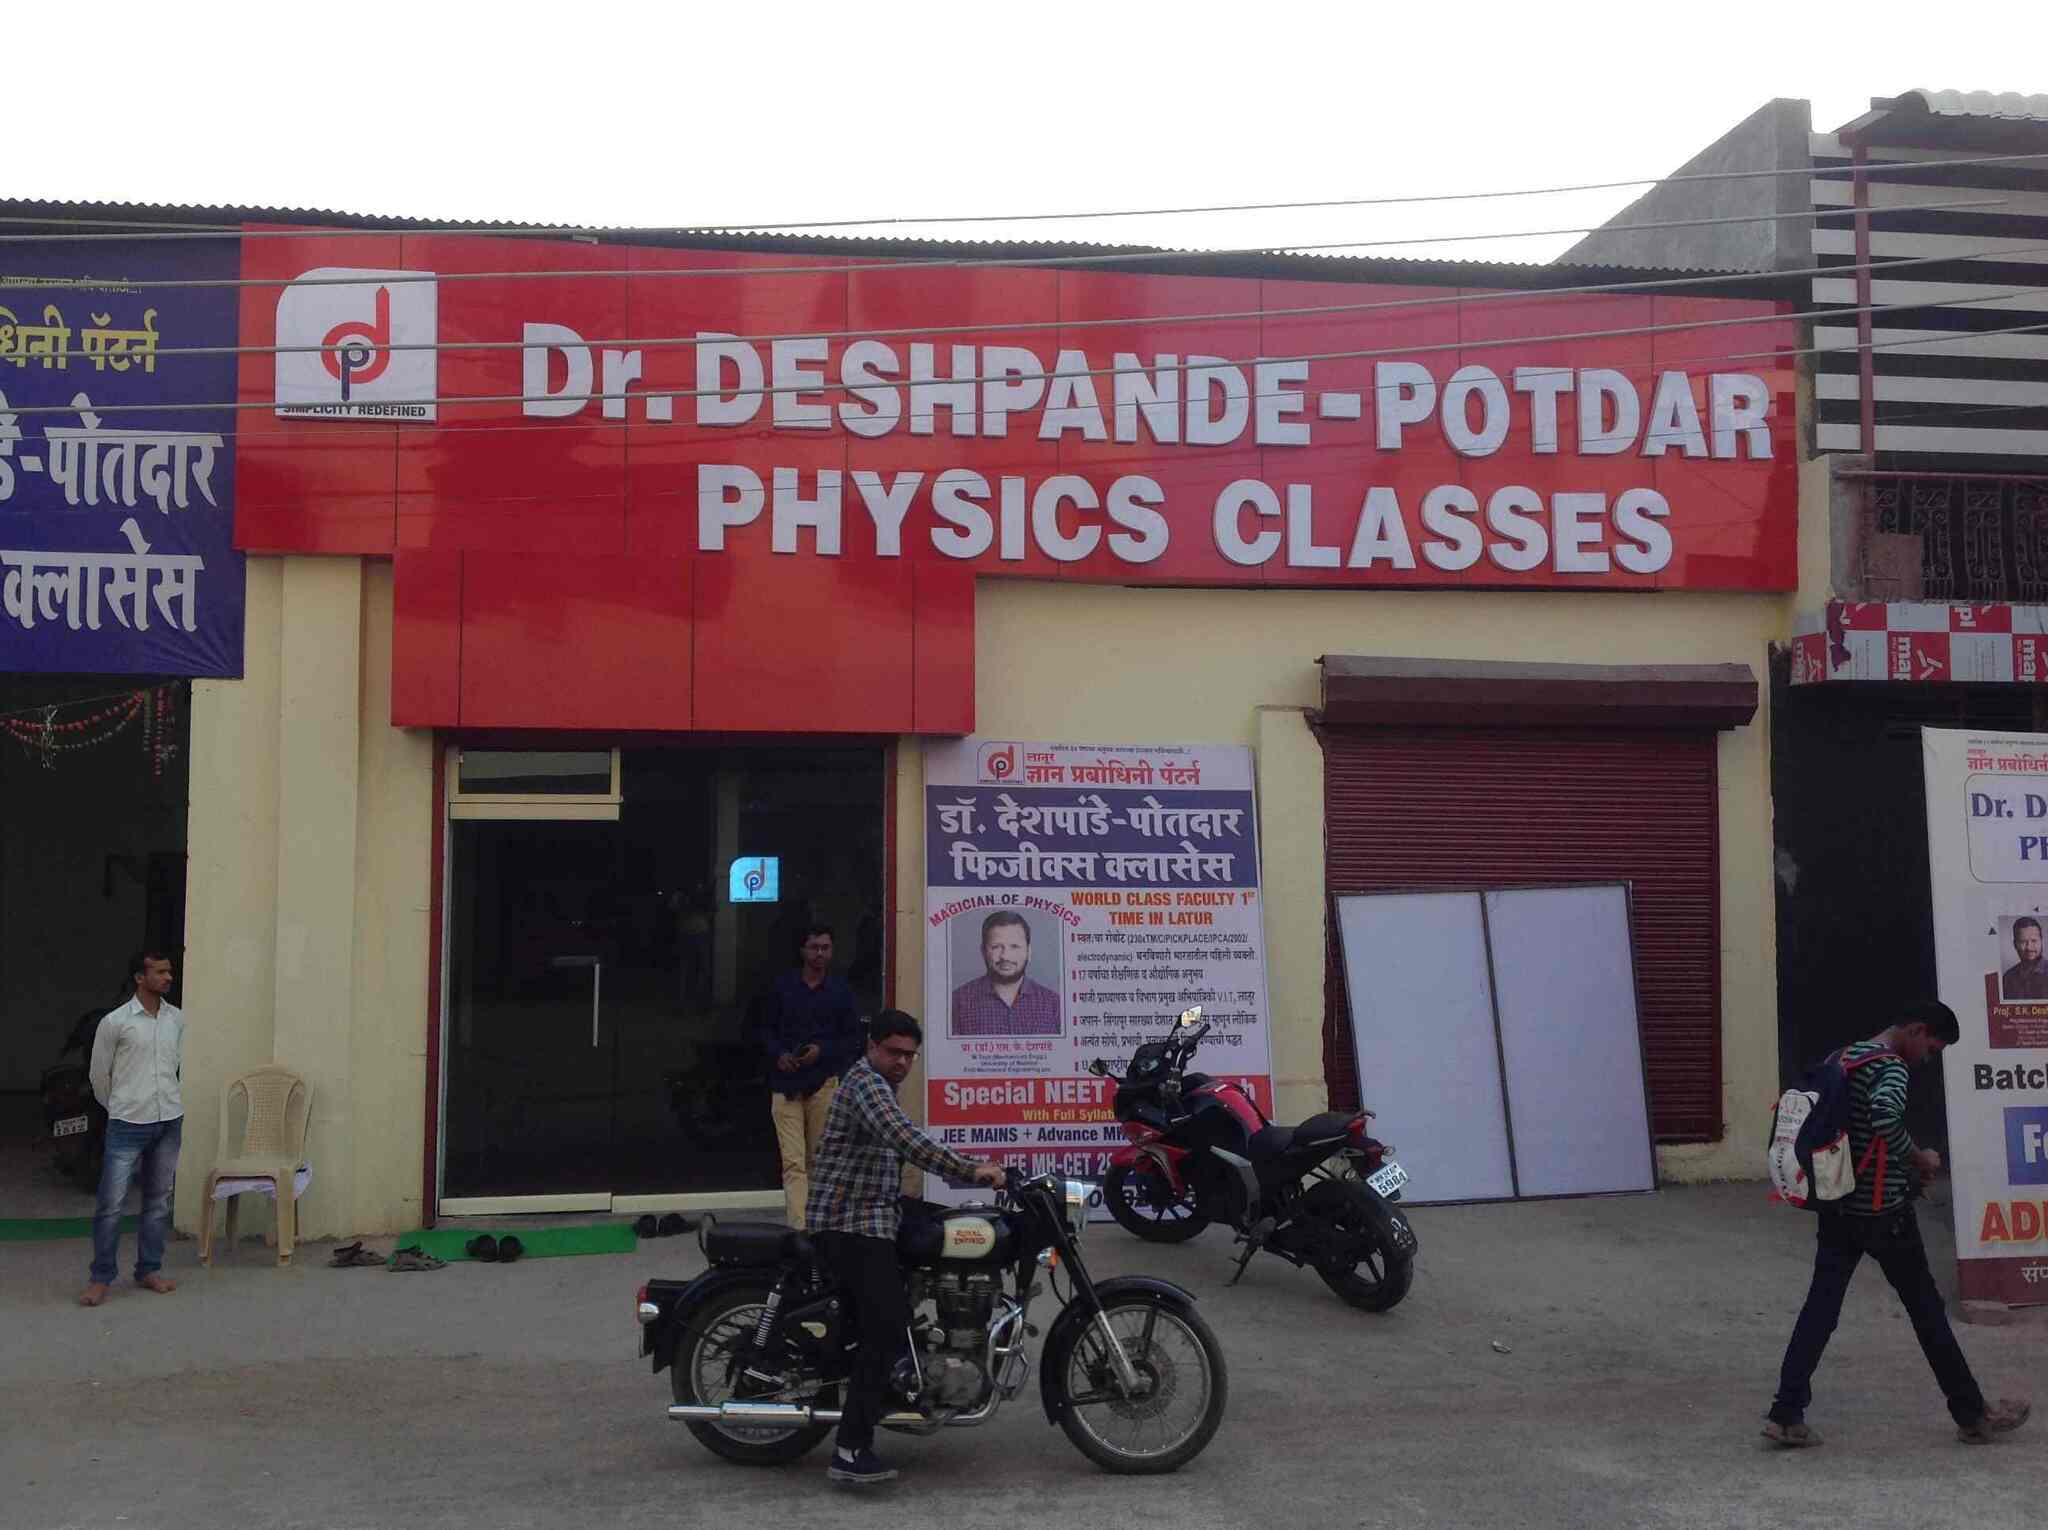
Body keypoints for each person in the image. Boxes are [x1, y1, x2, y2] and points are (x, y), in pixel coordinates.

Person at [1763, 1000, 2030, 1447]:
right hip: (1884, 1215)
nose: (1927, 1058)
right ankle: (1972, 1414)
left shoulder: (1844, 1056)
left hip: (1838, 1207)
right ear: (1917, 1030)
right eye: (1932, 1048)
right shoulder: (1890, 1067)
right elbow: (1885, 1116)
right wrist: (1920, 1157)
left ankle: (1785, 1414)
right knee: (1927, 1312)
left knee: (1820, 1310)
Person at [807, 1010, 1005, 1487]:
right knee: (887, 1323)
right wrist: (971, 1169)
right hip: (849, 1221)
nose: (902, 1062)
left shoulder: (880, 1084)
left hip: (876, 1210)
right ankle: (850, 1450)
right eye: (893, 1052)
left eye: (909, 1055)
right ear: (872, 1046)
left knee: (941, 1230)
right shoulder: (866, 1084)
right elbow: (907, 1140)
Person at [78, 951, 184, 1308]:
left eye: (169, 971)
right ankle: (101, 1277)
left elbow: (175, 1064)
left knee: (157, 1202)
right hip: (127, 1124)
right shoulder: (115, 1022)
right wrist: (119, 1108)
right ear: (140, 977)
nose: (168, 977)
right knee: (111, 1205)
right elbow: (99, 1074)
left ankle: (149, 1269)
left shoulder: (176, 1019)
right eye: (160, 972)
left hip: (168, 1121)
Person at [754, 923, 864, 1229]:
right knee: (793, 1163)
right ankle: (799, 1229)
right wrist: (779, 1054)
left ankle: (818, 1226)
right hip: (785, 1085)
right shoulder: (782, 987)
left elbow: (853, 1039)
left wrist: (822, 1050)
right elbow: (763, 1029)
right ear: (803, 950)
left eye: (825, 948)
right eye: (814, 947)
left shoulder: (840, 991)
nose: (819, 953)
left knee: (820, 1161)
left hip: (824, 1085)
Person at [949, 911, 1060, 1038]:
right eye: (996, 947)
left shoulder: (1054, 1005)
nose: (1005, 956)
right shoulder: (957, 1003)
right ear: (983, 951)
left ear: (1028, 952)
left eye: (1015, 946)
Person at [1999, 917, 2048, 1000]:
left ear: (2041, 941)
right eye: (2023, 942)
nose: (2029, 947)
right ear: (2015, 945)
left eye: (2034, 941)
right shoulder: (2007, 978)